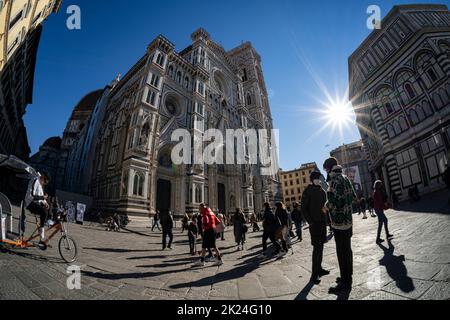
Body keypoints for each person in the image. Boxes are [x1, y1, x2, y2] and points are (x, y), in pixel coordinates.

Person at [323, 157, 356, 294]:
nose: (325, 172)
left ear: (329, 168)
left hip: (339, 222)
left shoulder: (334, 180)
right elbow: (352, 197)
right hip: (348, 221)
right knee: (347, 251)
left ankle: (345, 283)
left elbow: (336, 201)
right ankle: (347, 277)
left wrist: (326, 206)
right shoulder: (345, 177)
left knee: (341, 253)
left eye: (325, 169)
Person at [301, 171, 330, 285]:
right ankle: (314, 274)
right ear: (312, 179)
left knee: (321, 246)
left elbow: (325, 208)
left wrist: (327, 221)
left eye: (320, 178)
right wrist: (310, 222)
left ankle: (319, 268)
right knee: (316, 248)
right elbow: (303, 208)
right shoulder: (307, 191)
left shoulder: (322, 191)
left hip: (322, 223)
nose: (319, 180)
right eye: (317, 178)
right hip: (314, 224)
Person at [24, 173, 51, 243]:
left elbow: (41, 196)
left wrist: (45, 202)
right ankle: (41, 230)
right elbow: (32, 196)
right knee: (43, 212)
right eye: (45, 182)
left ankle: (43, 225)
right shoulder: (35, 180)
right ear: (43, 177)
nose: (44, 184)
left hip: (36, 202)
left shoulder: (40, 183)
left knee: (47, 208)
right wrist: (42, 198)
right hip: (29, 203)